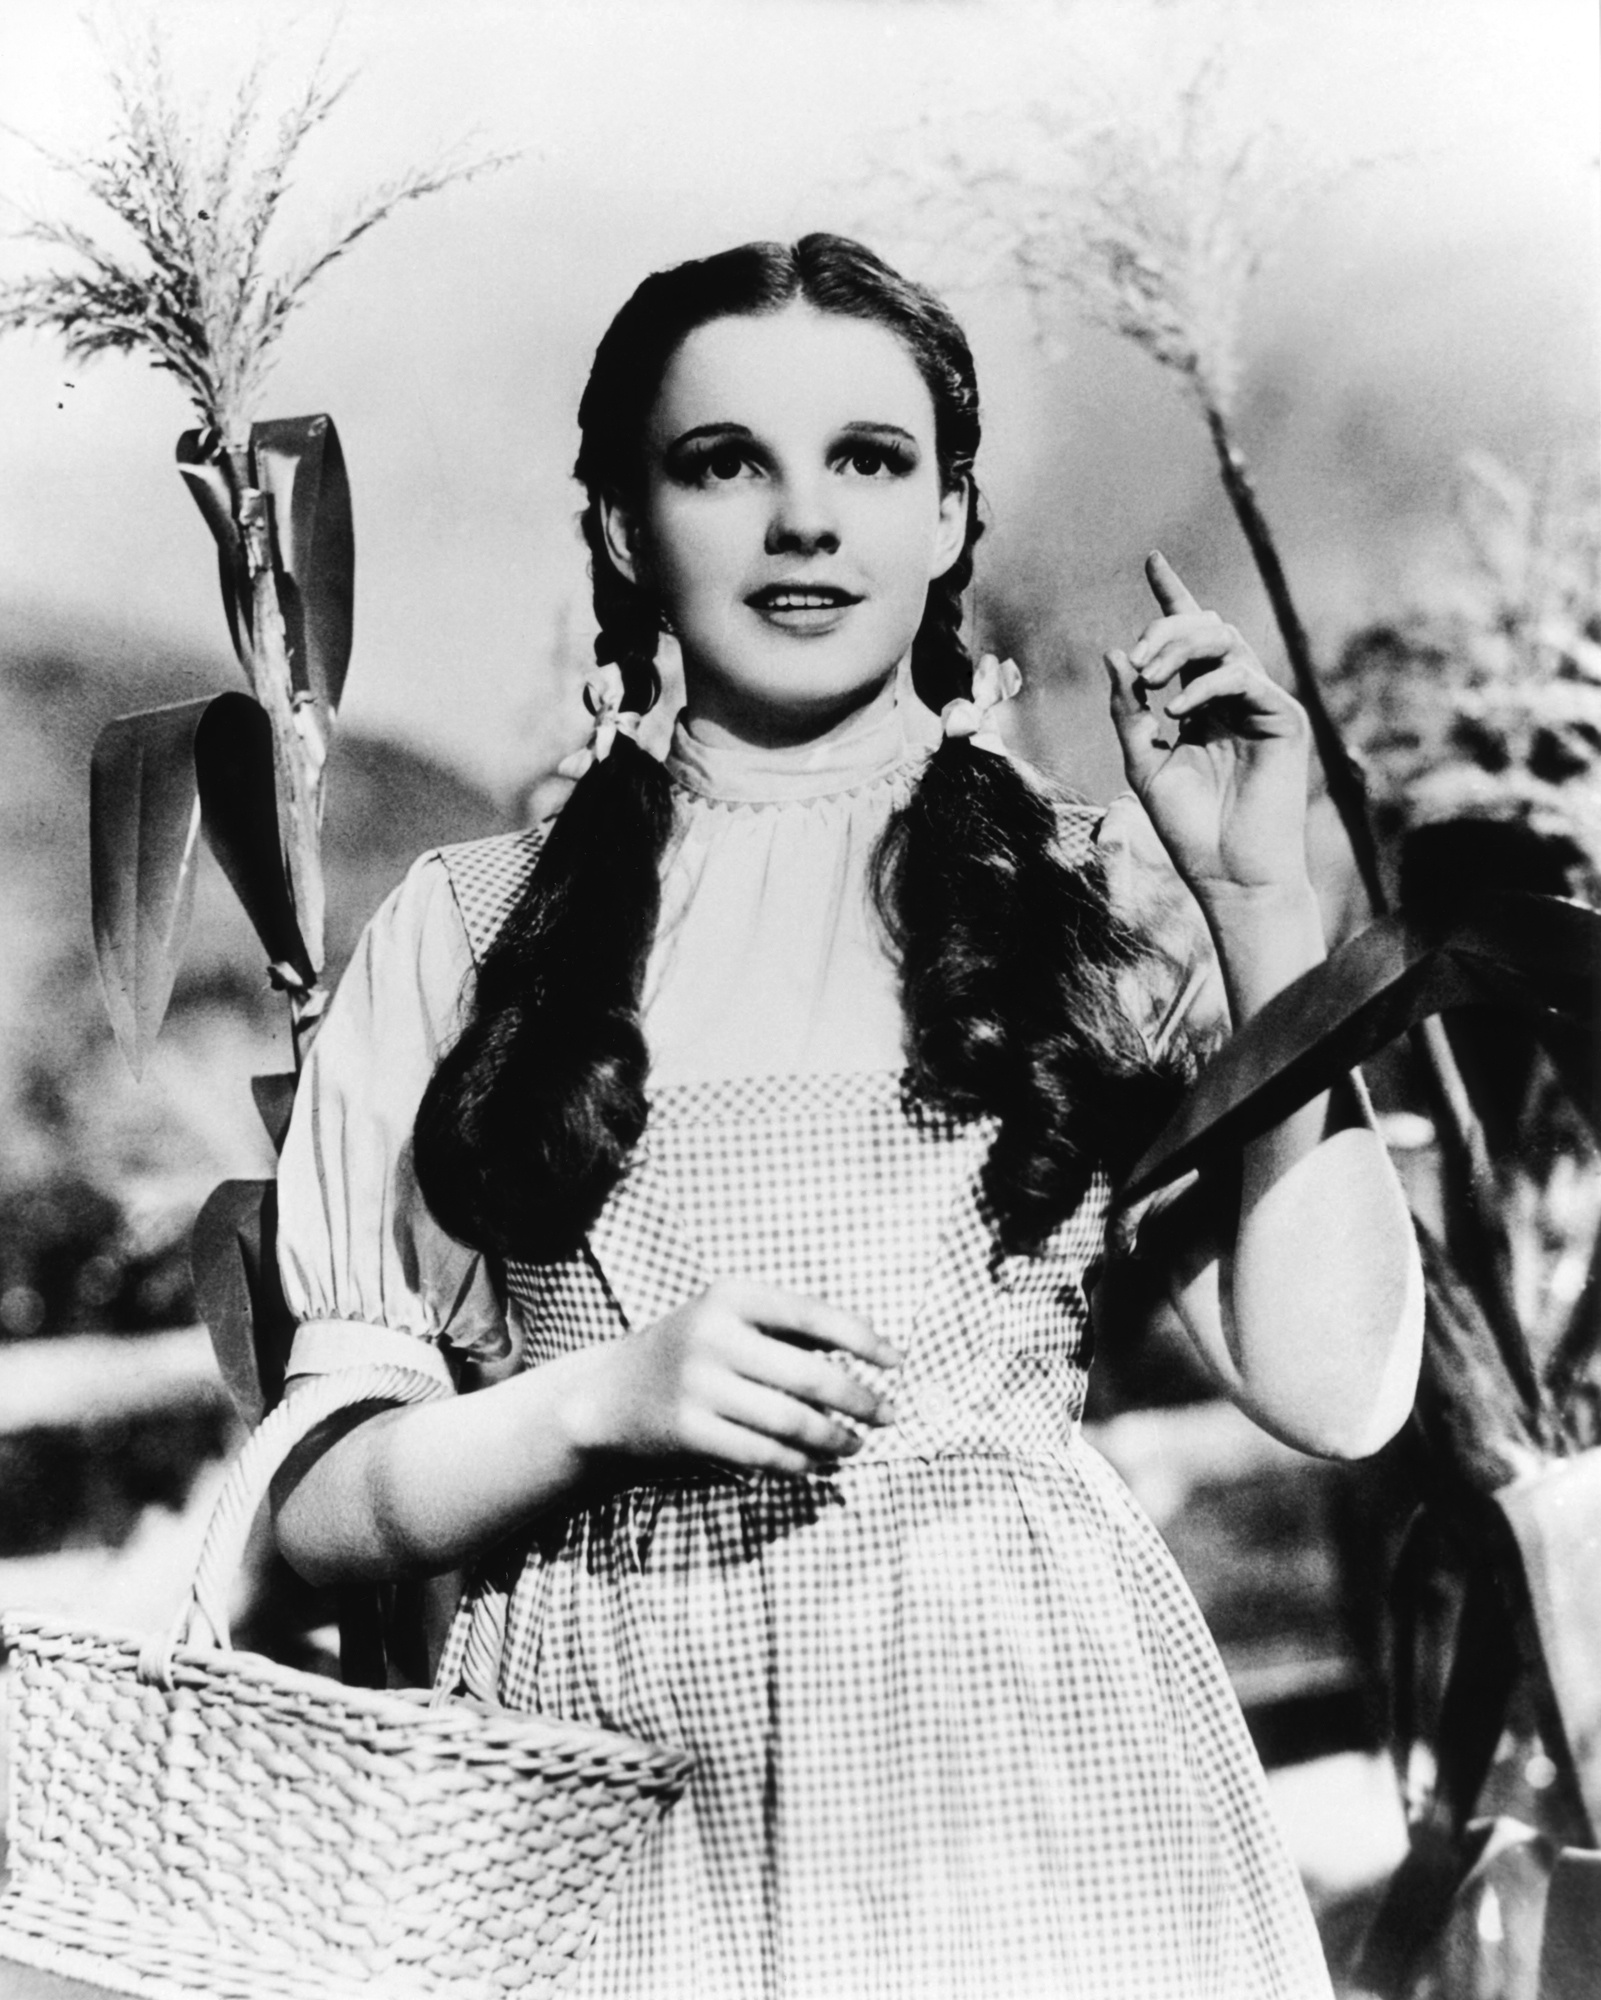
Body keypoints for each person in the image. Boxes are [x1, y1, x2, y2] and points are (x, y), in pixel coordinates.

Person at [272, 234, 1423, 2000]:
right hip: (623, 1810)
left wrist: (1263, 906)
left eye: (870, 460)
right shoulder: (465, 929)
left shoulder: (1093, 904)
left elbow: (1337, 1391)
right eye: (724, 462)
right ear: (621, 527)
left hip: (1032, 1796)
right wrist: (599, 1406)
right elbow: (312, 1508)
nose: (804, 520)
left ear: (949, 516)